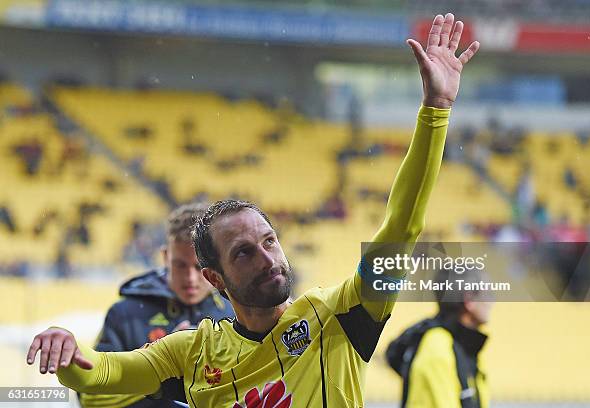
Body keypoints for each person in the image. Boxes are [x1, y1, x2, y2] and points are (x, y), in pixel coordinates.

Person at [26, 13, 480, 408]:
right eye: (243, 252)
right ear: (215, 279)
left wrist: (435, 111)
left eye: (269, 241)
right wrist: (68, 358)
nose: (268, 258)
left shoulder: (338, 315)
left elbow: (401, 227)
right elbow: (103, 375)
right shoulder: (192, 353)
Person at [79, 203, 234, 408]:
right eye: (180, 265)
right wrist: (164, 361)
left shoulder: (235, 311)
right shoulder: (125, 314)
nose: (190, 278)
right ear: (165, 257)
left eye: (199, 267)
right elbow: (91, 397)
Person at [386, 268, 492, 408]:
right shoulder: (438, 347)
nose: (492, 301)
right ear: (469, 300)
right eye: (487, 293)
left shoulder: (465, 348)